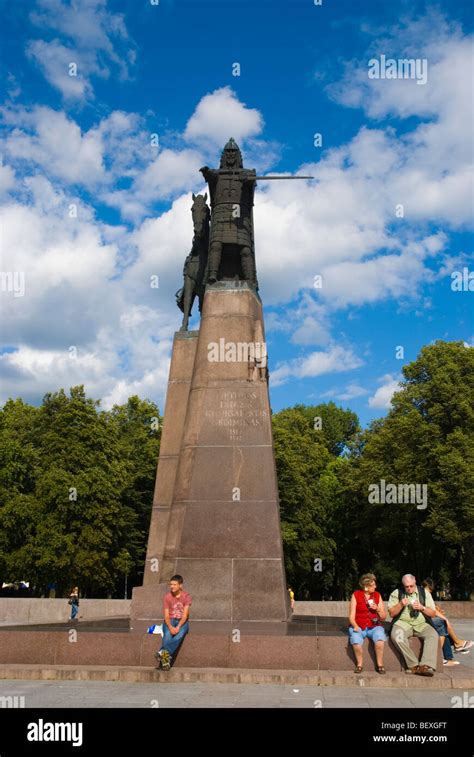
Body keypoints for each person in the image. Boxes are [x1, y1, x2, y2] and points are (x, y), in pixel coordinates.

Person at [388, 573, 438, 676]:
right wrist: (401, 604)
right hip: (402, 623)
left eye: (411, 586)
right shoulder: (397, 593)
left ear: (415, 581)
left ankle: (426, 666)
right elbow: (391, 613)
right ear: (403, 585)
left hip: (421, 623)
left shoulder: (424, 593)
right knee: (397, 636)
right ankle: (413, 665)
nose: (409, 589)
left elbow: (433, 613)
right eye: (407, 587)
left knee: (433, 634)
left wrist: (422, 607)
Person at [422, 578, 473, 663]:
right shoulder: (421, 594)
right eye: (428, 589)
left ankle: (449, 657)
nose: (429, 592)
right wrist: (442, 617)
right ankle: (457, 644)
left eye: (430, 590)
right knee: (443, 623)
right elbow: (430, 610)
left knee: (444, 630)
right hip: (423, 622)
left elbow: (433, 608)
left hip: (428, 619)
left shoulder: (426, 595)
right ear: (423, 587)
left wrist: (438, 611)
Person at [348, 573, 387, 674]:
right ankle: (359, 664)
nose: (375, 586)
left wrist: (377, 608)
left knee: (380, 638)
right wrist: (355, 626)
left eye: (375, 584)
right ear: (366, 586)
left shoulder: (377, 595)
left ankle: (380, 664)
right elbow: (351, 616)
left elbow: (383, 617)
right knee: (356, 641)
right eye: (373, 585)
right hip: (359, 625)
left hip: (374, 626)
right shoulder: (356, 595)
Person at [154, 575, 192, 671]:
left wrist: (178, 626)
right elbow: (166, 616)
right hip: (170, 620)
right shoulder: (167, 597)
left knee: (179, 635)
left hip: (182, 622)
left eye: (175, 584)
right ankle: (165, 661)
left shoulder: (186, 597)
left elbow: (185, 616)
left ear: (180, 585)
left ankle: (162, 653)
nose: (172, 586)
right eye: (171, 584)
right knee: (167, 635)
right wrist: (170, 627)